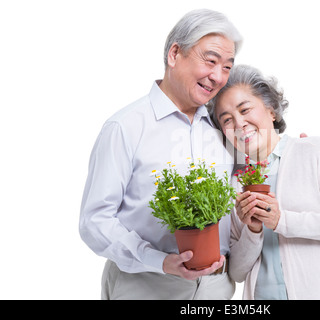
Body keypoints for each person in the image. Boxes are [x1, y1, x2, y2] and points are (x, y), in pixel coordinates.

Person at [79, 9, 243, 300]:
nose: (218, 77)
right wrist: (159, 261)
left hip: (217, 288)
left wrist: (306, 151)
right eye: (211, 61)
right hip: (147, 285)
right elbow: (95, 221)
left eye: (227, 67)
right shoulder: (126, 127)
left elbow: (260, 160)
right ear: (174, 54)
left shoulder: (223, 126)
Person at [207, 64, 320, 300]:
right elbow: (238, 273)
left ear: (271, 110)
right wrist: (253, 229)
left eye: (245, 109)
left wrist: (281, 220)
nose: (239, 124)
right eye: (227, 120)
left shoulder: (314, 150)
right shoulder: (235, 185)